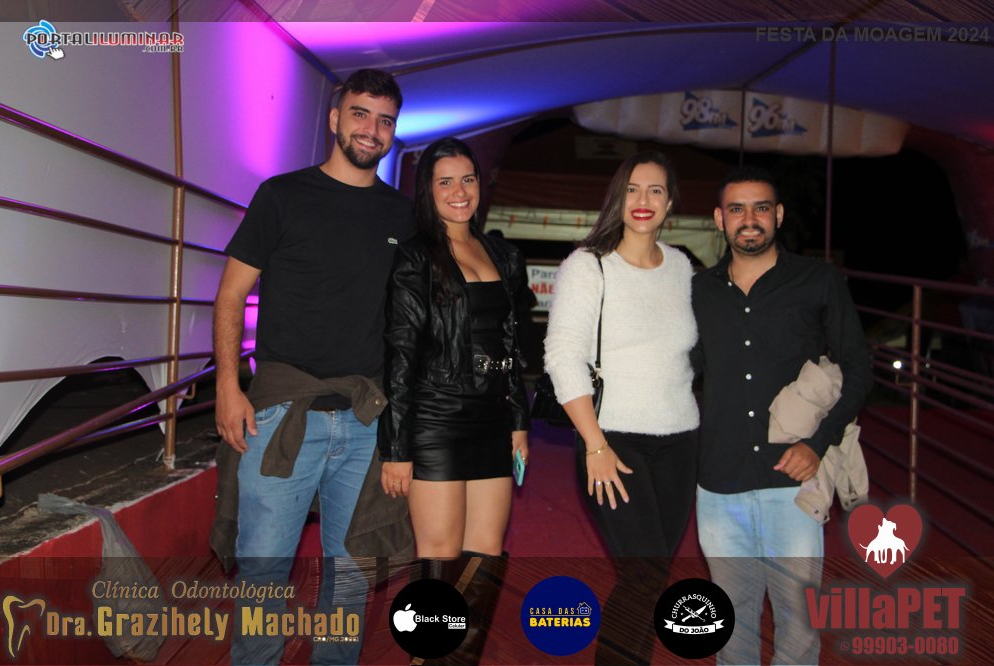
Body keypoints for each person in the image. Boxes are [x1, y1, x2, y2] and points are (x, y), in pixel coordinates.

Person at [212, 69, 413, 665]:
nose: (371, 129)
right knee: (263, 575)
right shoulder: (282, 195)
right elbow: (230, 295)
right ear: (334, 119)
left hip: (366, 420)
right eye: (360, 114)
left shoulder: (403, 216)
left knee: (350, 577)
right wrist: (228, 386)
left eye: (384, 120)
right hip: (280, 414)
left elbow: (413, 324)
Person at [692, 165, 872, 665]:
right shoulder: (698, 291)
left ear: (779, 215)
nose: (749, 219)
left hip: (793, 482)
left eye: (761, 208)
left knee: (798, 624)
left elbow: (858, 369)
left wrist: (818, 443)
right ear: (719, 219)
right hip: (719, 481)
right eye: (737, 209)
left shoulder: (819, 280)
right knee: (730, 621)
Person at [543, 150, 699, 664]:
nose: (643, 200)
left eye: (655, 190)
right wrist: (595, 445)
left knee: (653, 579)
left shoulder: (681, 267)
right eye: (632, 189)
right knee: (643, 574)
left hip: (680, 442)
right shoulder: (588, 266)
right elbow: (562, 355)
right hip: (613, 441)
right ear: (617, 197)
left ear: (670, 203)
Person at [377, 137, 530, 557]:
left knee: (486, 552)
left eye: (468, 179)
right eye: (445, 182)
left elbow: (512, 345)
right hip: (436, 419)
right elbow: (401, 355)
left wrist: (519, 422)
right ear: (427, 189)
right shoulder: (415, 257)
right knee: (440, 554)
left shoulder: (504, 256)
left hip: (494, 419)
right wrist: (396, 448)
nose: (459, 192)